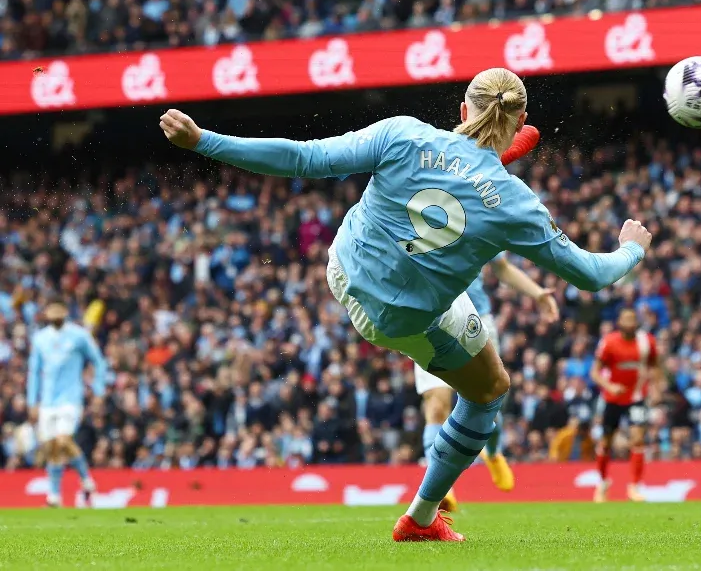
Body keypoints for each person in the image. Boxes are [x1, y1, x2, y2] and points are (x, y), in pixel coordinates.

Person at [159, 67, 653, 542]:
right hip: (401, 318)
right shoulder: (517, 204)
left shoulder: (403, 133)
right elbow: (590, 275)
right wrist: (632, 247)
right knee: (490, 389)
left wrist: (204, 140)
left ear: (463, 108)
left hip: (343, 271)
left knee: (448, 336)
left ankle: (432, 499)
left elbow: (304, 159)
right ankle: (422, 516)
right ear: (519, 124)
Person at [415, 254, 559, 512]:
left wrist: (537, 293)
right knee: (436, 404)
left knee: (486, 401)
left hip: (475, 319)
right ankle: (442, 488)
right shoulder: (409, 219)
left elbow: (501, 267)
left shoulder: (475, 216)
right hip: (429, 319)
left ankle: (493, 452)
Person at [27, 302, 108, 507]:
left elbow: (98, 361)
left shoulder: (79, 336)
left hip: (70, 398)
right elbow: (34, 371)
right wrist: (32, 401)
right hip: (47, 400)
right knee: (52, 447)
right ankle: (55, 495)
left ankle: (86, 478)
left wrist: (98, 389)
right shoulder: (40, 338)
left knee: (63, 441)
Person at [590, 307, 657, 502]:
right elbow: (595, 373)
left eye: (632, 319)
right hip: (612, 399)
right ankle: (602, 483)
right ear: (619, 322)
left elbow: (654, 365)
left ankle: (635, 487)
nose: (629, 323)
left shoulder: (647, 342)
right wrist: (610, 386)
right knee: (606, 442)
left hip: (636, 397)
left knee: (638, 439)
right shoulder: (609, 343)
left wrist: (655, 386)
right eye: (625, 320)